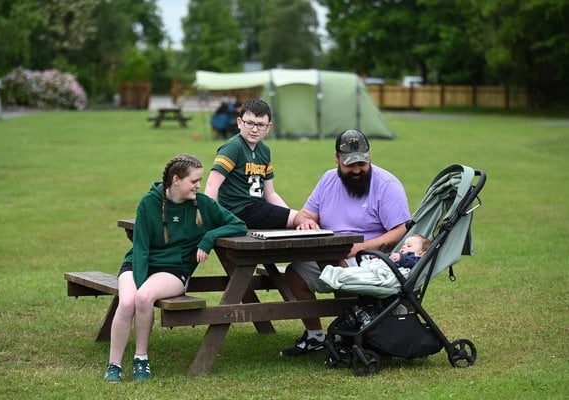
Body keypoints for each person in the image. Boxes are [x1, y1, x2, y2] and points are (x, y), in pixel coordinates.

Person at [104, 153, 247, 383]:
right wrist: (140, 283)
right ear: (176, 180)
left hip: (174, 269)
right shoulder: (148, 203)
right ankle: (114, 364)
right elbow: (140, 250)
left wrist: (209, 237)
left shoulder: (203, 204)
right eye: (194, 181)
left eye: (200, 181)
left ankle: (141, 359)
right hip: (138, 262)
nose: (199, 186)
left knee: (143, 298)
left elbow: (238, 224)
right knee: (129, 300)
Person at [280, 129, 411, 356]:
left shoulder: (387, 185)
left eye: (362, 163)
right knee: (294, 274)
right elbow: (307, 213)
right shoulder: (328, 179)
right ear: (337, 159)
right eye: (350, 165)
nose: (357, 170)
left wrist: (362, 247)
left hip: (368, 260)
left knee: (339, 269)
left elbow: (401, 230)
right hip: (330, 254)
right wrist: (306, 222)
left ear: (369, 156)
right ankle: (315, 336)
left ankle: (349, 334)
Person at [204, 98, 298, 229]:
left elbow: (270, 193)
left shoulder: (265, 151)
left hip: (257, 209)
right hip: (238, 211)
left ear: (268, 127)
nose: (254, 129)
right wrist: (211, 217)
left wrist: (289, 213)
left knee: (301, 219)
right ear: (239, 122)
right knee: (302, 218)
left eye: (260, 125)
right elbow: (211, 185)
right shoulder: (233, 147)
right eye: (249, 123)